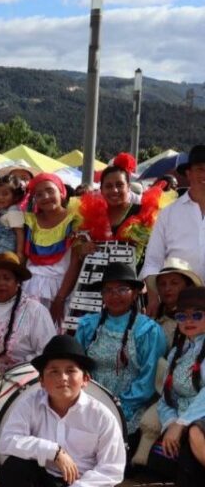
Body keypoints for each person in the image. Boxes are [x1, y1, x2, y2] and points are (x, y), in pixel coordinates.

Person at [0, 335, 125, 487]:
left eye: (70, 371)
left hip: (83, 484)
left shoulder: (101, 415)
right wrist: (53, 451)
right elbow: (7, 441)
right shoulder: (29, 402)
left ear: (85, 379)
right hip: (42, 479)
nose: (62, 377)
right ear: (42, 381)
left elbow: (112, 469)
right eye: (53, 371)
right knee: (14, 468)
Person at [75, 263, 166, 450]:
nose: (114, 295)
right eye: (108, 290)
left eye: (122, 289)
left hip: (129, 410)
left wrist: (117, 408)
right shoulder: (87, 325)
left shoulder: (148, 330)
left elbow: (148, 380)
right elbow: (75, 366)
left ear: (134, 294)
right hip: (87, 403)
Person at [154, 287, 205, 487]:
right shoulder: (177, 352)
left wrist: (182, 424)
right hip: (184, 419)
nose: (189, 320)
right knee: (158, 461)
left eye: (197, 314)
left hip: (197, 419)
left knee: (195, 433)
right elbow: (165, 398)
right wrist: (171, 423)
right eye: (182, 315)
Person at [77, 156, 168, 269]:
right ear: (101, 189)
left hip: (135, 283)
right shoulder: (91, 216)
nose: (114, 190)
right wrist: (82, 251)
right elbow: (78, 253)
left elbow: (157, 254)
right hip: (97, 283)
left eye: (119, 185)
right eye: (108, 186)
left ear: (128, 187)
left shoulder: (144, 214)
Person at [141, 145, 205, 298]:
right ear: (188, 173)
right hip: (179, 303)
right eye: (200, 169)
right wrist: (153, 298)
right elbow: (152, 262)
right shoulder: (169, 213)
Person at [0, 253, 57, 375]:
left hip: (24, 381)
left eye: (7, 278)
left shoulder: (35, 311)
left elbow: (48, 352)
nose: (1, 283)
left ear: (17, 282)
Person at [21, 173, 84, 320]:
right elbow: (24, 257)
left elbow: (75, 262)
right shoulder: (30, 221)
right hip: (28, 289)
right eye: (39, 194)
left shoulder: (75, 219)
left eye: (50, 191)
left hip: (62, 289)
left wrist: (60, 297)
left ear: (61, 192)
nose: (46, 197)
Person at [152, 257, 202, 347]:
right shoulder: (153, 322)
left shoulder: (201, 318)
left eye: (174, 283)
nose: (167, 288)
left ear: (188, 286)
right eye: (162, 284)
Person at [0, 173, 27, 259]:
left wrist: (19, 252)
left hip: (7, 249)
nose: (0, 197)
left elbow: (19, 233)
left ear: (15, 197)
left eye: (5, 194)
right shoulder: (0, 210)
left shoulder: (13, 210)